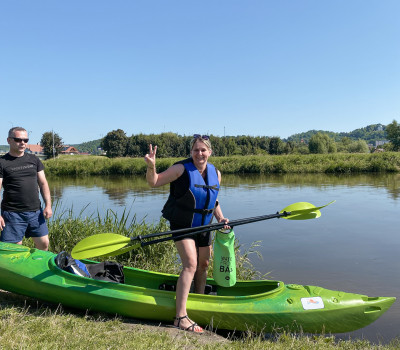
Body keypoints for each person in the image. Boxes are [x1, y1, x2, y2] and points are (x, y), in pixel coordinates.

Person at [144, 134, 229, 334]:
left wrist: (221, 218)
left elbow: (212, 200)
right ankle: (180, 317)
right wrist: (151, 166)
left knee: (203, 265)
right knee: (190, 264)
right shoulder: (180, 169)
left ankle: (198, 303)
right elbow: (154, 182)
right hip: (183, 225)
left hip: (204, 225)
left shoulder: (215, 173)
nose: (199, 153)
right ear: (191, 152)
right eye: (195, 150)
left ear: (210, 152)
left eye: (203, 150)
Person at [0, 127, 52, 250]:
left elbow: (43, 183)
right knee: (13, 250)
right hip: (12, 214)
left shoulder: (34, 159)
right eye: (18, 139)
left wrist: (48, 205)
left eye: (25, 140)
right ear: (9, 140)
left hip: (35, 212)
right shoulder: (2, 162)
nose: (22, 143)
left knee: (44, 243)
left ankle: (36, 268)